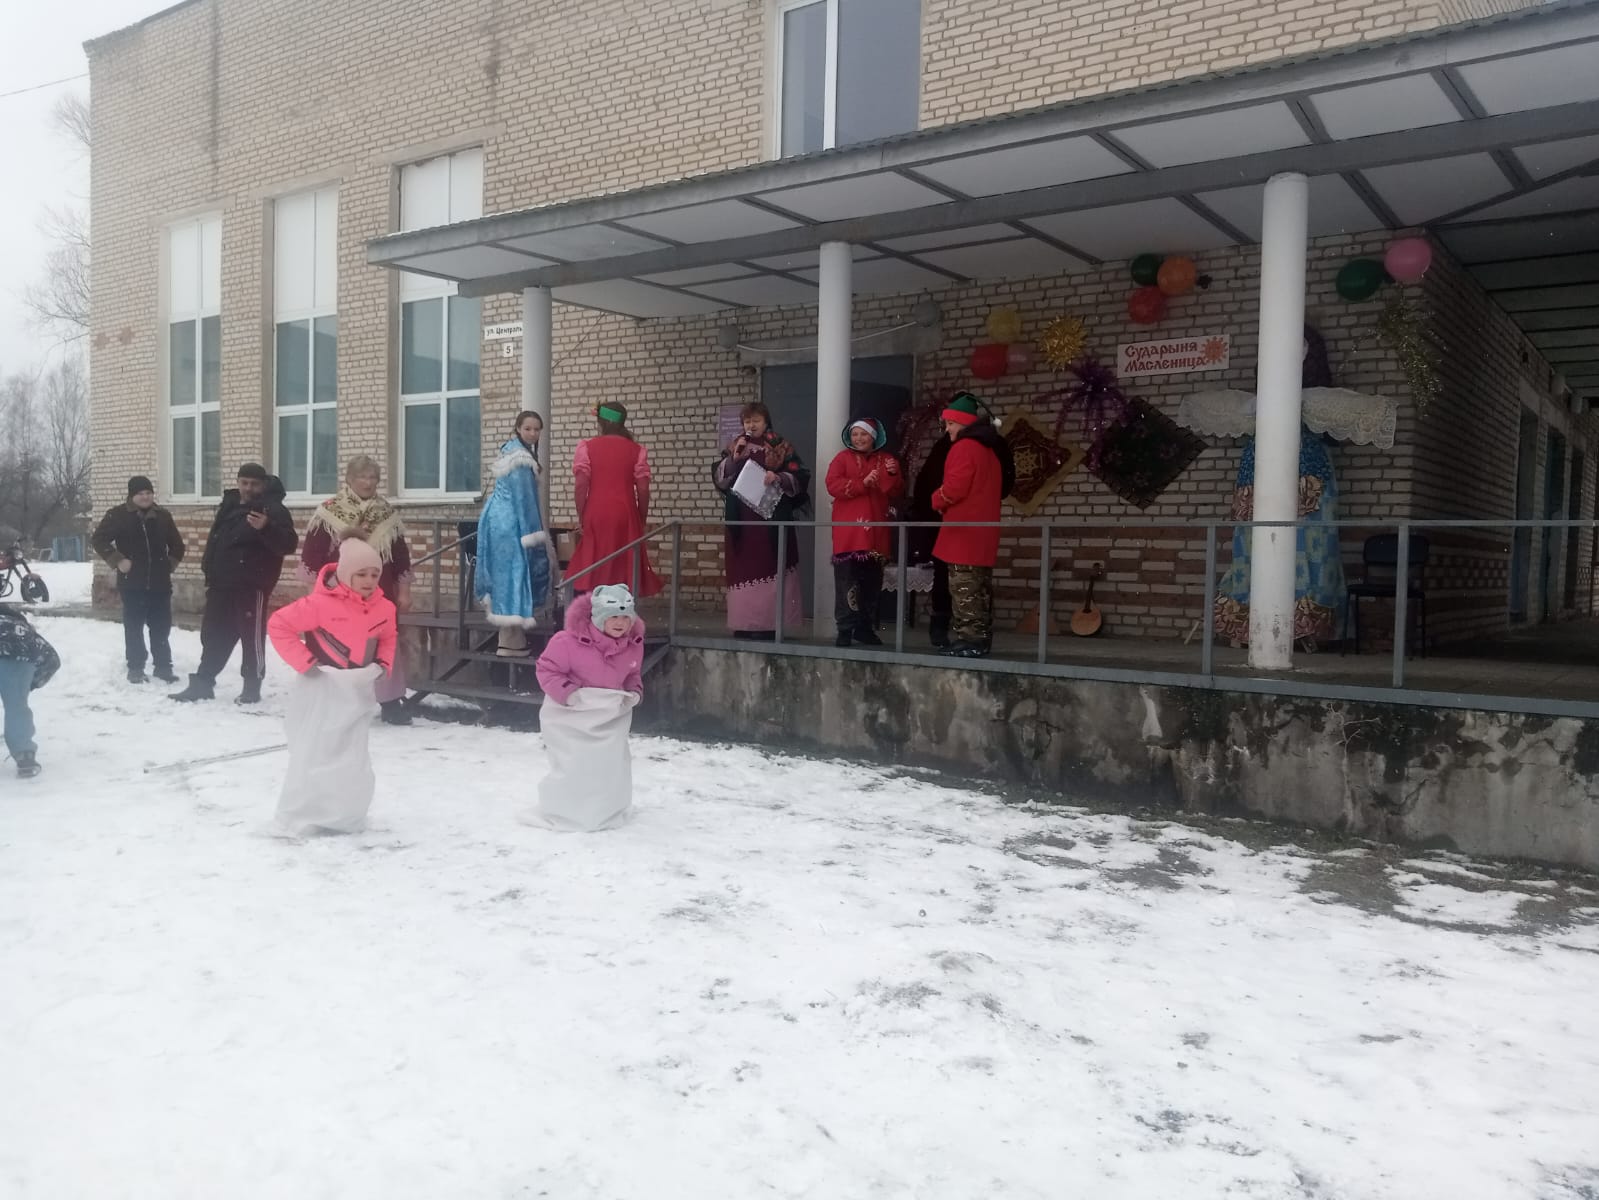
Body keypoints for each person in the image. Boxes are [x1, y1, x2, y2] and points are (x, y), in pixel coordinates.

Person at [266, 537, 398, 837]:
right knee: (317, 752)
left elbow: (389, 637)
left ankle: (344, 814)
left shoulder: (384, 608)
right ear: (345, 573)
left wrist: (383, 663)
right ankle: (307, 812)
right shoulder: (319, 604)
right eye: (361, 574)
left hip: (357, 692)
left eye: (375, 574)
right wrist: (305, 662)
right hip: (321, 688)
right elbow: (279, 625)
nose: (369, 581)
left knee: (351, 756)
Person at [302, 455, 415, 724]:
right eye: (361, 477)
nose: (367, 482)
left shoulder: (387, 514)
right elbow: (311, 556)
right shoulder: (329, 511)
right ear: (349, 479)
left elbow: (400, 557)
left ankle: (389, 701)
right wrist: (313, 592)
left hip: (380, 592)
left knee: (384, 644)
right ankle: (338, 701)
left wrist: (404, 591)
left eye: (372, 477)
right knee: (339, 646)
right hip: (338, 593)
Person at [173, 463, 298, 704]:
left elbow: (288, 544)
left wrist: (266, 528)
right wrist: (208, 569)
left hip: (251, 586)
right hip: (221, 583)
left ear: (263, 484)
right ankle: (203, 682)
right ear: (238, 482)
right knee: (214, 635)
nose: (248, 488)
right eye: (244, 483)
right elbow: (216, 540)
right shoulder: (229, 504)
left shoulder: (273, 509)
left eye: (254, 484)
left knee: (251, 638)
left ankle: (252, 686)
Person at [528, 584, 645, 832]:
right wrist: (569, 694)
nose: (620, 623)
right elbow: (547, 669)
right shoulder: (567, 642)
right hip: (571, 716)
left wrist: (634, 692)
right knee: (577, 766)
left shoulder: (633, 644)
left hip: (610, 718)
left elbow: (632, 674)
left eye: (626, 616)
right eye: (613, 616)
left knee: (609, 766)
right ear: (598, 616)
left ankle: (606, 809)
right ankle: (567, 810)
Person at [712, 402, 809, 639]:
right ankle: (744, 624)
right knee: (743, 571)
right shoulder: (736, 445)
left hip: (770, 519)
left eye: (756, 420)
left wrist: (778, 477)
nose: (751, 425)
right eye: (747, 421)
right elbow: (721, 479)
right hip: (742, 521)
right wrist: (734, 459)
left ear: (766, 422)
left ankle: (769, 625)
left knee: (770, 566)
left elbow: (799, 475)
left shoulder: (781, 445)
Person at [931, 394, 1015, 659]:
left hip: (963, 533)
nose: (947, 430)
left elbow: (954, 488)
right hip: (982, 532)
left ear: (963, 423)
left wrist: (936, 499)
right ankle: (981, 638)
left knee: (964, 587)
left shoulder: (964, 448)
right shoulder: (989, 450)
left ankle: (970, 640)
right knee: (980, 588)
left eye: (950, 424)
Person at [90, 474, 186, 684]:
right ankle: (135, 667)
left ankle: (163, 667)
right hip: (132, 584)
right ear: (132, 495)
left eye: (148, 493)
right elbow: (98, 539)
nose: (145, 497)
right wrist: (118, 560)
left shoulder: (162, 516)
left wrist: (168, 566)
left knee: (161, 627)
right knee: (134, 627)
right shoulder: (118, 515)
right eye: (140, 493)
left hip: (160, 584)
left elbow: (178, 546)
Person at [474, 411, 555, 657]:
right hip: (511, 524)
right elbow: (525, 500)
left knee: (505, 577)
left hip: (498, 521)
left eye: (536, 429)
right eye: (528, 428)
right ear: (518, 428)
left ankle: (510, 639)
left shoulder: (511, 450)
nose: (533, 433)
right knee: (515, 576)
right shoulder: (520, 459)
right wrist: (534, 535)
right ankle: (510, 642)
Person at [565, 402, 663, 597]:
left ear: (601, 422)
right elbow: (643, 489)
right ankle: (621, 608)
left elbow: (581, 485)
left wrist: (581, 516)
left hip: (595, 512)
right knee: (624, 563)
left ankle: (594, 606)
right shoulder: (637, 450)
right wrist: (641, 518)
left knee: (594, 562)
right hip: (626, 515)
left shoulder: (586, 447)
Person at [825, 418, 903, 647]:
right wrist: (862, 483)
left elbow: (896, 491)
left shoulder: (886, 459)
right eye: (855, 434)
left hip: (876, 533)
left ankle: (865, 629)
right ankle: (845, 629)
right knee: (847, 583)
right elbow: (832, 485)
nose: (858, 438)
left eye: (864, 434)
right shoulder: (842, 458)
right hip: (849, 534)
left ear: (874, 437)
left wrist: (893, 474)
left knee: (871, 584)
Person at [0, 602, 59, 779]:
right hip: (19, 657)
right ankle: (24, 755)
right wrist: (30, 684)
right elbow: (52, 660)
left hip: (17, 654)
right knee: (16, 706)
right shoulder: (25, 631)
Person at [907, 430, 955, 647]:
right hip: (940, 525)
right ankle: (941, 627)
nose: (949, 428)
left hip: (960, 523)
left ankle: (967, 630)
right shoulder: (943, 448)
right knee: (944, 576)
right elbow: (925, 488)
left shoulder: (970, 447)